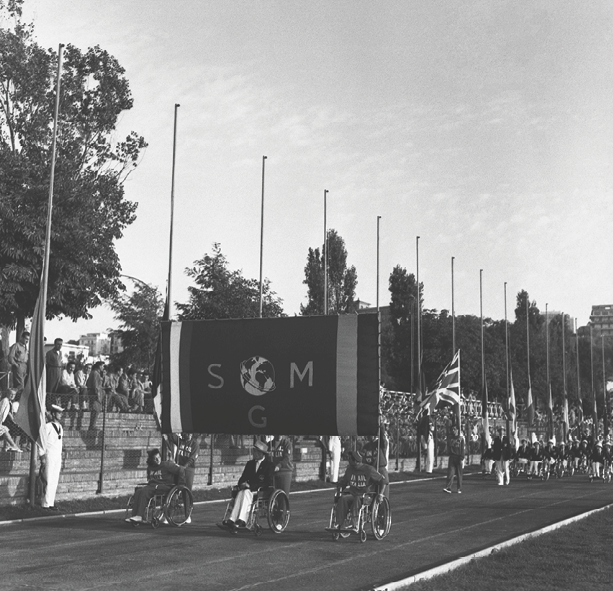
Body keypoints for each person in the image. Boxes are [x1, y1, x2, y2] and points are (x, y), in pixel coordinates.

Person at [222, 440, 274, 532]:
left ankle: (242, 520)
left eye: (257, 452)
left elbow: (268, 482)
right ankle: (232, 519)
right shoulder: (250, 464)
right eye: (254, 451)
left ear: (262, 454)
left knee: (245, 492)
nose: (254, 453)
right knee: (240, 492)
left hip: (261, 490)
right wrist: (242, 484)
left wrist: (250, 486)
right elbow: (243, 478)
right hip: (248, 489)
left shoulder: (269, 465)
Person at [125, 448, 185, 523]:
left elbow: (181, 469)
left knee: (146, 490)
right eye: (155, 459)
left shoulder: (166, 465)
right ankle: (135, 516)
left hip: (166, 486)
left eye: (159, 457)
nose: (158, 460)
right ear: (151, 460)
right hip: (154, 487)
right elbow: (150, 480)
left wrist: (180, 484)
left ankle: (139, 516)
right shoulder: (149, 468)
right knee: (138, 491)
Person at [335, 450, 387, 532]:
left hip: (366, 496)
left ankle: (354, 524)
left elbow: (383, 481)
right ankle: (339, 523)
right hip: (353, 494)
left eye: (350, 459)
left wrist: (380, 494)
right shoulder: (349, 470)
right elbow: (344, 482)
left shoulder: (369, 469)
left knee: (357, 499)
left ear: (355, 461)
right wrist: (339, 487)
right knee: (343, 499)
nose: (348, 460)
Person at [39, 404, 64, 509]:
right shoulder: (48, 426)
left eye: (61, 413)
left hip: (57, 455)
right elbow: (42, 442)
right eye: (58, 413)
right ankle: (45, 503)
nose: (60, 415)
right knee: (48, 478)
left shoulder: (60, 427)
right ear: (53, 414)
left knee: (54, 479)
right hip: (49, 454)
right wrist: (42, 456)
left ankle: (51, 502)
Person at [362, 425, 390, 497]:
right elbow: (362, 458)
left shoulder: (380, 443)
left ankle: (383, 506)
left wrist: (381, 425)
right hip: (371, 471)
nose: (369, 436)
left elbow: (382, 437)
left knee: (383, 496)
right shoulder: (366, 446)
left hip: (380, 469)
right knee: (368, 495)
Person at [444, 425, 465, 493]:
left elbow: (462, 449)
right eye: (452, 429)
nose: (453, 430)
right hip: (452, 457)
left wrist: (462, 457)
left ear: (458, 430)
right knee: (450, 473)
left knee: (459, 474)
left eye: (455, 429)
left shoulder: (461, 439)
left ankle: (459, 488)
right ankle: (448, 487)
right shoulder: (450, 438)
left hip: (458, 457)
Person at [7, 331, 29, 396]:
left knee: (21, 385)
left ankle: (16, 399)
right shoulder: (16, 345)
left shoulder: (26, 347)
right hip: (18, 366)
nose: (27, 341)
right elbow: (10, 357)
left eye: (28, 339)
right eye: (26, 339)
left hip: (25, 367)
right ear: (21, 337)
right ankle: (13, 397)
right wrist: (16, 365)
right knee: (20, 385)